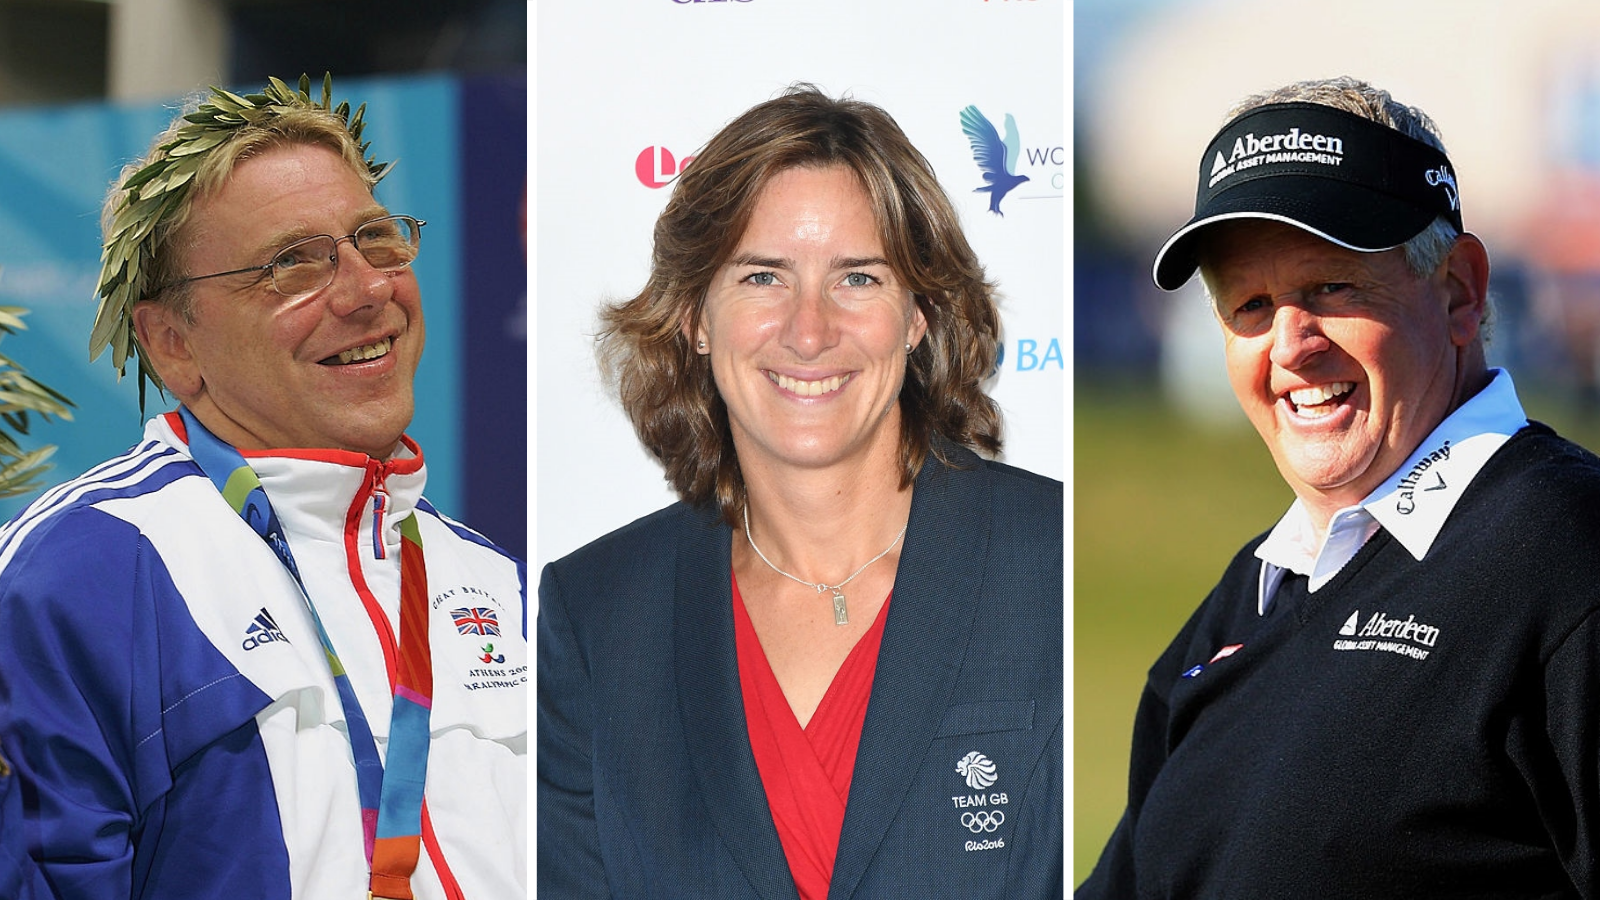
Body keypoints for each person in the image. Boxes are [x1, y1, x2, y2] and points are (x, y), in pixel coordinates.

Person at [0, 74, 526, 899]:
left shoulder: (496, 583)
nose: (368, 290)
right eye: (293, 264)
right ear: (174, 343)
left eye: (375, 238)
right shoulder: (84, 574)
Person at [1079, 75, 1600, 899]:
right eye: (1250, 304)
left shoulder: (1568, 552)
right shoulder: (1247, 596)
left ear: (1460, 292)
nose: (1290, 344)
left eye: (1331, 286)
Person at [537, 85, 1063, 899]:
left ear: (917, 314)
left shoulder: (1056, 558)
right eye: (762, 278)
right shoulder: (599, 613)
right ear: (695, 318)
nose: (809, 330)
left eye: (857, 277)